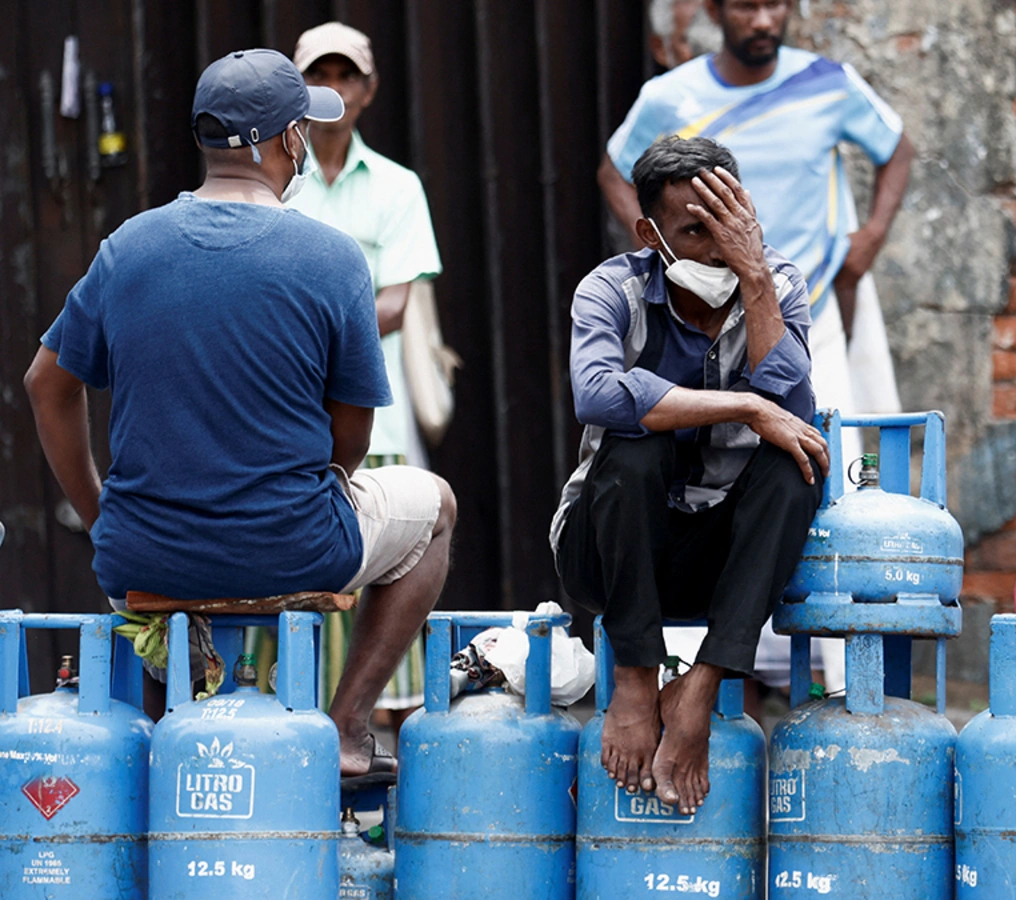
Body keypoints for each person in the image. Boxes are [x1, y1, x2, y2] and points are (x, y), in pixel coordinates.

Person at [23, 48, 456, 777]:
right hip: (293, 546)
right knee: (434, 505)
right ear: (288, 140)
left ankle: (186, 712)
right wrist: (314, 489)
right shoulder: (332, 257)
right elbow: (352, 436)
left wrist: (102, 516)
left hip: (141, 552)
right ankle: (346, 728)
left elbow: (45, 385)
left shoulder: (127, 247)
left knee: (176, 556)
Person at [607, 0, 913, 696]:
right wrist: (658, 254)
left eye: (776, 3)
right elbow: (615, 170)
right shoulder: (670, 96)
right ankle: (717, 677)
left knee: (833, 475)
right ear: (715, 11)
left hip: (802, 313)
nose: (764, 18)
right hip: (702, 320)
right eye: (747, 5)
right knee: (690, 473)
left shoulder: (829, 81)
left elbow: (897, 148)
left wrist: (865, 244)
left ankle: (845, 686)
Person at [553, 136, 825, 814]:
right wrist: (743, 402)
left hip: (724, 565)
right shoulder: (611, 289)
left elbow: (793, 410)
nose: (717, 249)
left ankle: (700, 688)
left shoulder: (778, 284)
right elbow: (596, 395)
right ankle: (638, 682)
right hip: (609, 554)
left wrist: (754, 275)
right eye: (695, 231)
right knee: (636, 445)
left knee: (792, 464)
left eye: (732, 224)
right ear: (651, 235)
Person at [286, 21, 444, 720]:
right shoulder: (275, 181)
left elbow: (399, 300)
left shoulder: (397, 186)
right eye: (318, 75)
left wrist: (306, 336)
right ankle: (299, 719)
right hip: (291, 405)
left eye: (345, 75)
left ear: (368, 89)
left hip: (371, 403)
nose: (333, 88)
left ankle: (368, 723)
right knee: (297, 558)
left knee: (388, 547)